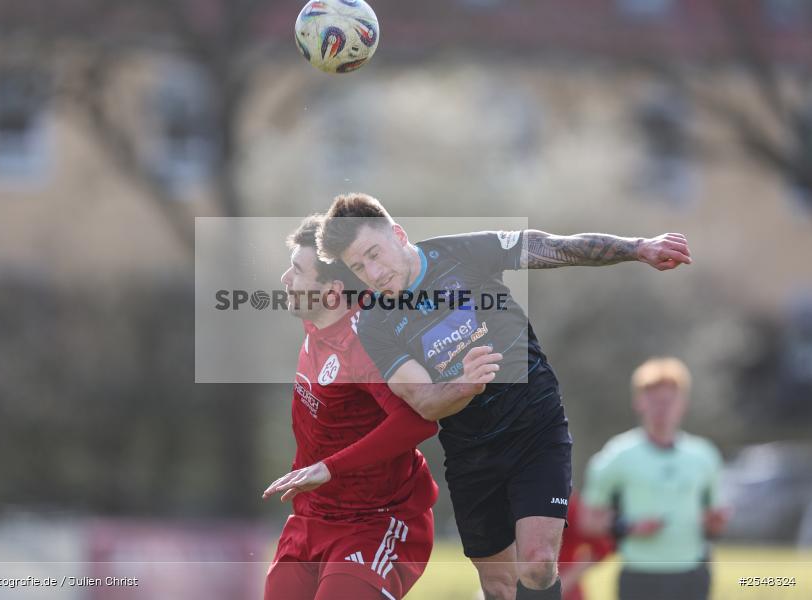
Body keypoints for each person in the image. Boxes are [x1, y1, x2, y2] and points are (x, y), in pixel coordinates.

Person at [316, 193, 692, 600]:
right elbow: (423, 402)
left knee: (537, 564)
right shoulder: (374, 322)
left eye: (374, 254)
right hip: (471, 453)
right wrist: (464, 384)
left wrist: (638, 247)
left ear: (398, 235)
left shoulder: (462, 252)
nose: (373, 273)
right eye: (359, 267)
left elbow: (555, 247)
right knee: (499, 587)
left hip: (535, 427)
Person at [262, 215, 457, 600]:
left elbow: (418, 421)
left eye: (297, 271)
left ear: (333, 292)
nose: (286, 279)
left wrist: (329, 467)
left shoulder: (364, 345)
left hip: (375, 523)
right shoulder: (318, 320)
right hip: (311, 518)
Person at [579, 357, 729, 600]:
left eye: (668, 401)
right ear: (639, 402)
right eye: (654, 400)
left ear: (682, 404)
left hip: (692, 573)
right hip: (640, 574)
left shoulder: (704, 455)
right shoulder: (617, 455)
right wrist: (628, 527)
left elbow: (713, 521)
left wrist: (716, 521)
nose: (662, 408)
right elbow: (588, 520)